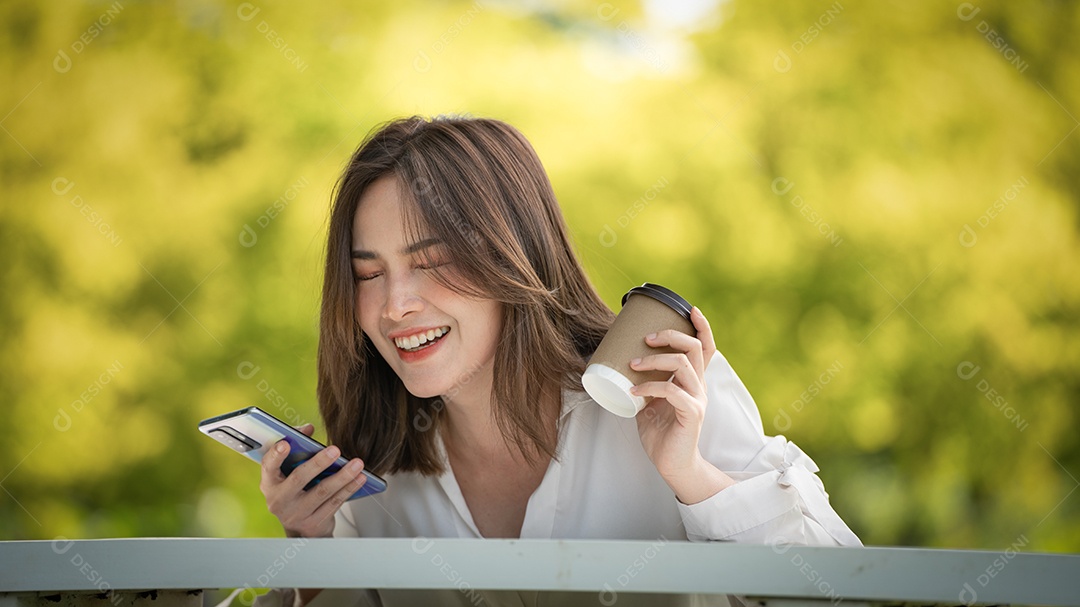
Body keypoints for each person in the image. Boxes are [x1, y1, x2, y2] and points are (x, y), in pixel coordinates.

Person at [243, 115, 861, 607]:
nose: (395, 305)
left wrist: (693, 477)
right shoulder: (375, 473)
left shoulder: (660, 387)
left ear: (514, 257)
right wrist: (311, 548)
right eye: (368, 273)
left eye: (430, 261)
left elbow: (850, 595)